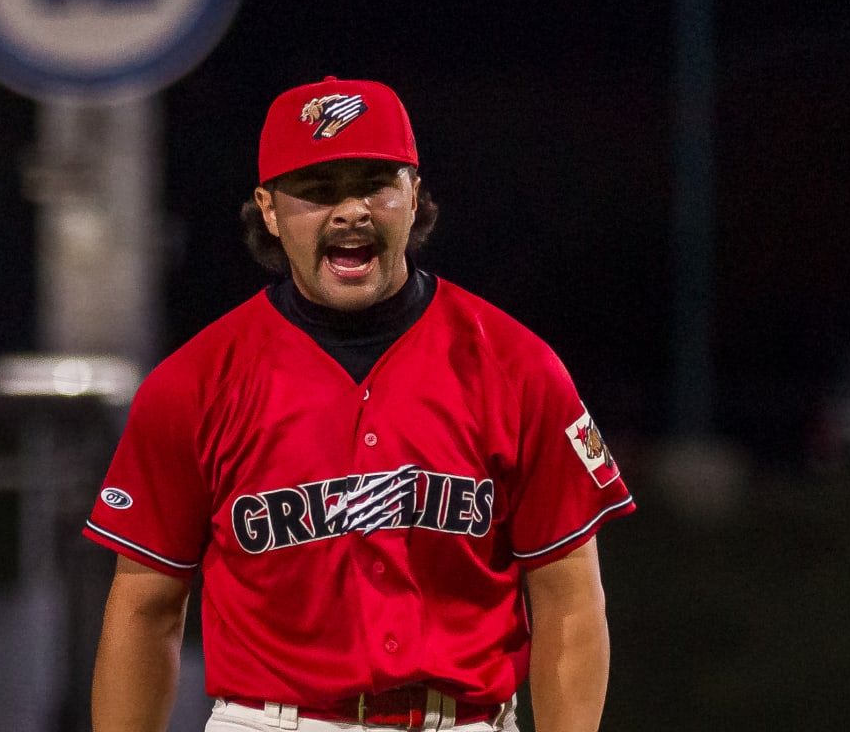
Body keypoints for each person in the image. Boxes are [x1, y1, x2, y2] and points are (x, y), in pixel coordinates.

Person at [84, 76, 635, 732]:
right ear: (267, 208)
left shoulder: (517, 367)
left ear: (414, 194)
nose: (350, 212)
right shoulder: (195, 383)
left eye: (375, 183)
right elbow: (145, 608)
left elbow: (569, 602)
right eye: (318, 190)